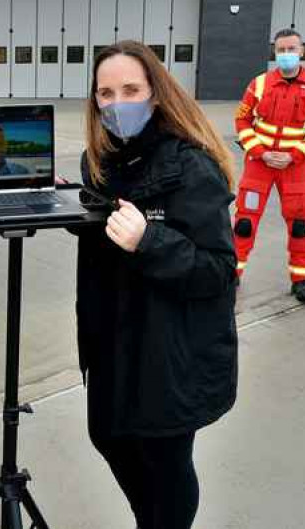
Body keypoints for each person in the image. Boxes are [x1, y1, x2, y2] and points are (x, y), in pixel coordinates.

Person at [71, 41, 238, 529]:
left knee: (164, 466)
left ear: (157, 93)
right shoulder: (99, 163)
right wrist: (77, 215)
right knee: (109, 439)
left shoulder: (192, 166)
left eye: (130, 89)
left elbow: (217, 271)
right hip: (110, 344)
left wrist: (150, 240)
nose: (117, 102)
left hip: (168, 351)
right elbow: (109, 235)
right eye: (105, 92)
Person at [233, 29, 305, 304]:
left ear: (302, 51)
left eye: (291, 49)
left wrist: (295, 155)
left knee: (300, 224)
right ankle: (232, 273)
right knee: (244, 222)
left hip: (295, 166)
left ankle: (301, 279)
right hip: (259, 164)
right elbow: (242, 121)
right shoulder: (260, 84)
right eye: (281, 50)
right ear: (274, 53)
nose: (286, 54)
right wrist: (260, 152)